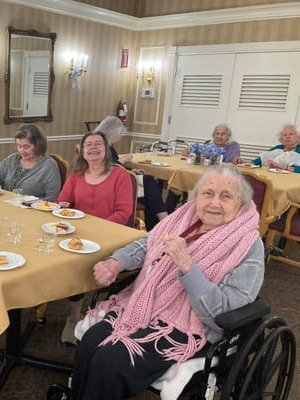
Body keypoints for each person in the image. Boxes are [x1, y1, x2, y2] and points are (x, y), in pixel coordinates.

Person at [71, 164, 264, 400]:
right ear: (196, 197)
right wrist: (116, 262)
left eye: (226, 196)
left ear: (241, 204)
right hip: (146, 306)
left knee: (111, 360)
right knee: (90, 342)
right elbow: (147, 244)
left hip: (192, 327)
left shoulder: (247, 245)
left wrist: (187, 267)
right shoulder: (183, 217)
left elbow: (224, 313)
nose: (214, 203)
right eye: (207, 193)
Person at [56, 131, 134, 344]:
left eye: (98, 144)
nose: (93, 148)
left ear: (106, 149)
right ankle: (69, 307)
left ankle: (73, 317)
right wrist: (60, 209)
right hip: (79, 234)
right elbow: (63, 201)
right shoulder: (76, 175)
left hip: (110, 235)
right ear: (82, 151)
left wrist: (96, 229)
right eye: (88, 144)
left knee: (77, 261)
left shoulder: (121, 176)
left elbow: (123, 212)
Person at [96, 116, 168, 230]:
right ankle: (163, 219)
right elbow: (104, 168)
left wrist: (131, 171)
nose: (119, 138)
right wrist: (121, 160)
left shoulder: (108, 146)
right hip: (108, 185)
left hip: (116, 181)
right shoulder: (99, 146)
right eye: (119, 135)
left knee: (148, 190)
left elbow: (115, 167)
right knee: (148, 182)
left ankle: (156, 224)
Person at [0, 124, 61, 201]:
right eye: (19, 146)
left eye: (26, 147)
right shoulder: (12, 159)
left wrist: (31, 204)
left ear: (37, 145)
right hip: (7, 207)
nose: (21, 151)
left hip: (33, 213)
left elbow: (52, 198)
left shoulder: (49, 166)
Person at [169, 123, 242, 212]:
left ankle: (187, 210)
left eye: (222, 134)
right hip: (200, 174)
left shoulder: (233, 146)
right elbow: (198, 158)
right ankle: (169, 211)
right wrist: (188, 153)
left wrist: (236, 160)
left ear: (228, 136)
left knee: (185, 179)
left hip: (219, 179)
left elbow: (231, 162)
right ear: (213, 135)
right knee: (180, 177)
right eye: (217, 133)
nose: (219, 136)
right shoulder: (208, 144)